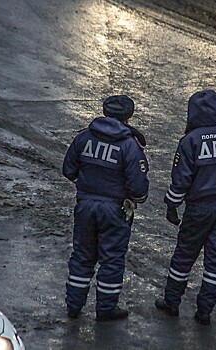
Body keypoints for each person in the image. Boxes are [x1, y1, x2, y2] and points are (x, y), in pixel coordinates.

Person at [155, 89, 216, 325]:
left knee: (185, 255)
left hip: (198, 209)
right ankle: (205, 310)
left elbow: (181, 180)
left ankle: (172, 302)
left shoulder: (191, 141)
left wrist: (171, 205)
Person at [63, 95, 149, 321]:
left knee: (82, 255)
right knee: (111, 259)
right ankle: (106, 309)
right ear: (128, 116)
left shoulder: (84, 137)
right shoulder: (129, 145)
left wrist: (89, 186)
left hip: (85, 206)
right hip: (114, 209)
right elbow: (139, 188)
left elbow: (68, 170)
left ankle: (74, 306)